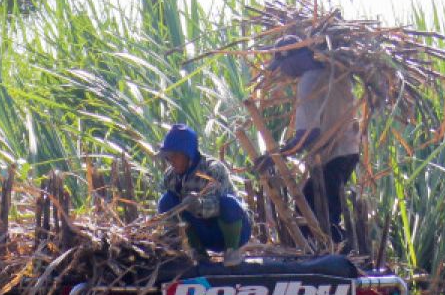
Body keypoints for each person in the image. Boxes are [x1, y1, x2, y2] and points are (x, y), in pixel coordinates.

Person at [268, 35, 361, 244]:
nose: (283, 71)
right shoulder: (336, 71)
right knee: (315, 207)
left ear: (291, 59)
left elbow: (309, 135)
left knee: (320, 214)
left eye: (283, 65)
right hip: (350, 150)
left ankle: (334, 255)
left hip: (332, 156)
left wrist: (276, 155)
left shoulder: (309, 81)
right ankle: (329, 250)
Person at [155, 124, 252, 265]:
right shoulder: (170, 177)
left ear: (188, 154)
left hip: (232, 230)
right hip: (204, 234)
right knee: (167, 201)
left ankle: (232, 252)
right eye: (168, 157)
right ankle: (198, 252)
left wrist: (197, 205)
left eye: (175, 156)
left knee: (229, 203)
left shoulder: (213, 169)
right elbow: (168, 213)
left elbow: (217, 206)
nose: (171, 161)